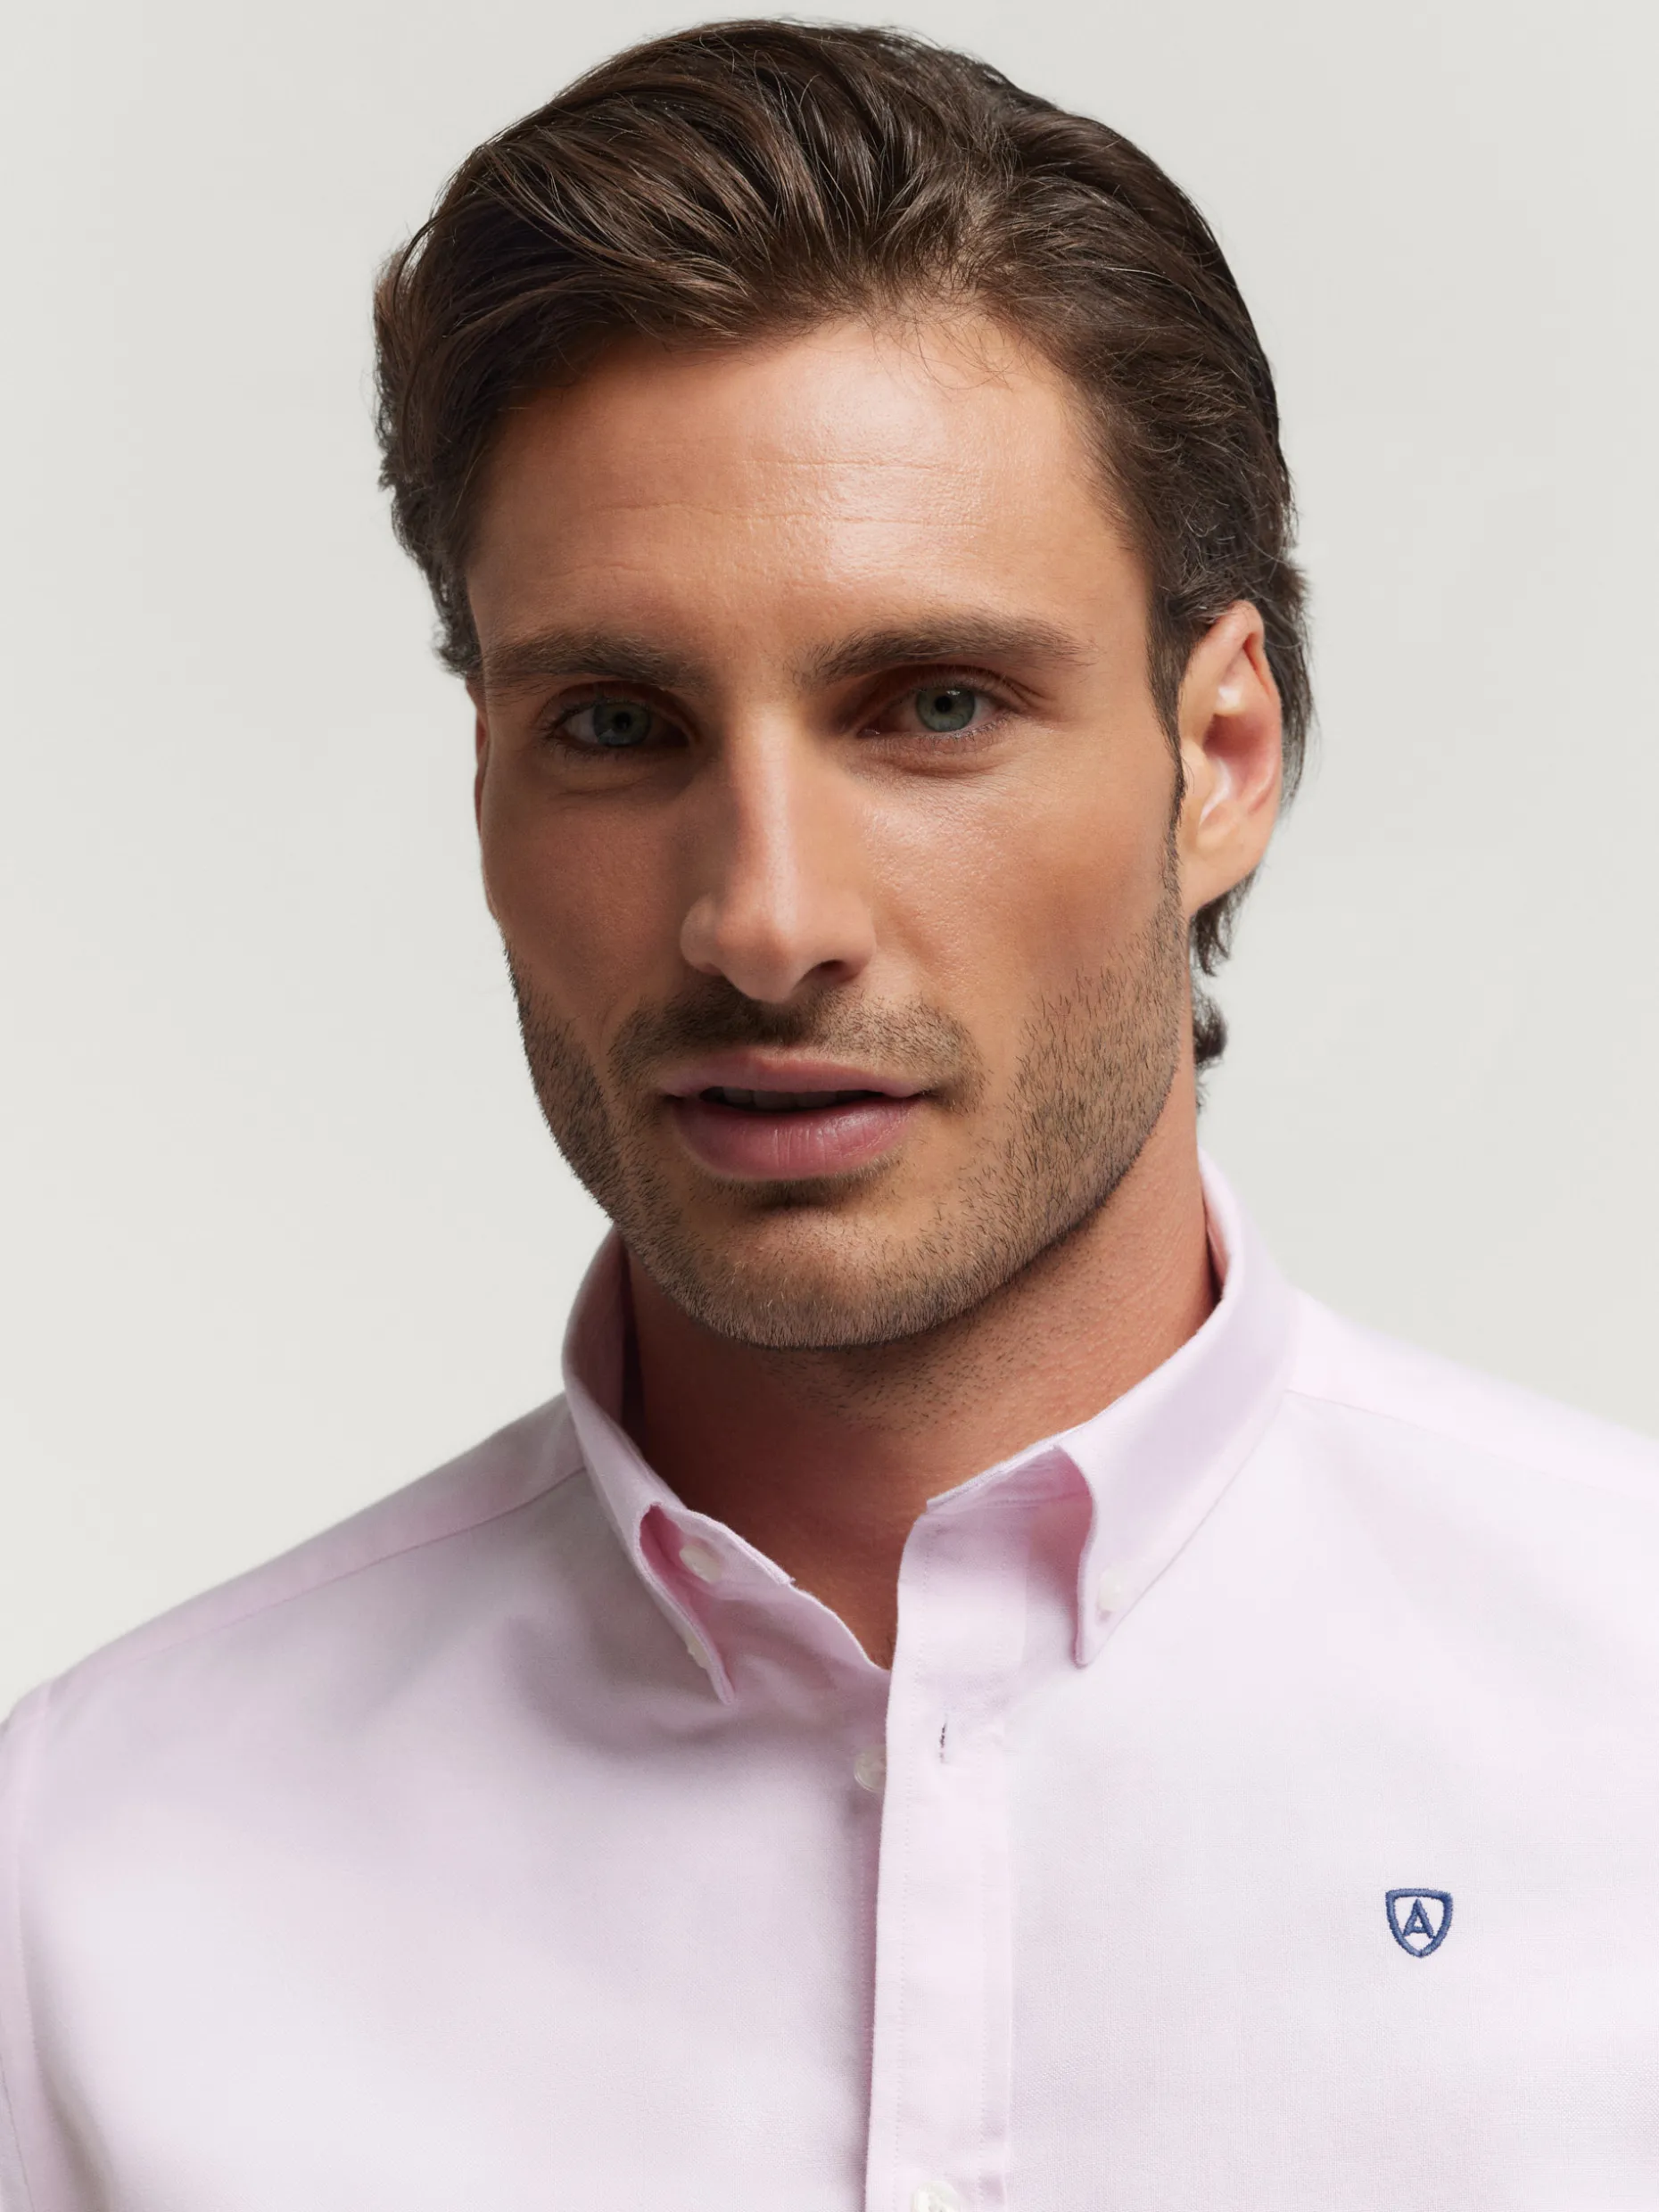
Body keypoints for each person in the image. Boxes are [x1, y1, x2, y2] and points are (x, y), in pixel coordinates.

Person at [3, 20, 1656, 2209]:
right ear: (487, 787)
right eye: (617, 723)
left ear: (1221, 757)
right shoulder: (88, 1883)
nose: (764, 920)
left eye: (934, 705)